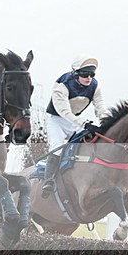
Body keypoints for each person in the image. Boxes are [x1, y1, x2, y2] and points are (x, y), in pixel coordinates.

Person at [41, 55, 107, 198]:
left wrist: (106, 121)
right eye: (85, 74)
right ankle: (49, 181)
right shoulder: (62, 85)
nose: (89, 78)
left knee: (89, 143)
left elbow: (100, 107)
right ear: (76, 74)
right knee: (57, 146)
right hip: (57, 120)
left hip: (74, 121)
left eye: (92, 74)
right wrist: (85, 124)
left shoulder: (95, 86)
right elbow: (64, 112)